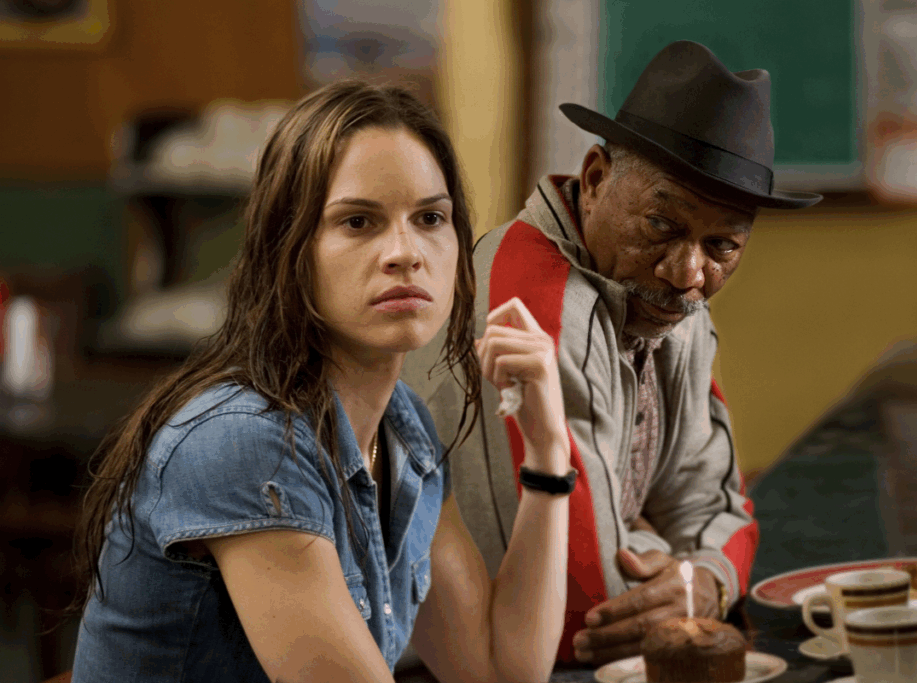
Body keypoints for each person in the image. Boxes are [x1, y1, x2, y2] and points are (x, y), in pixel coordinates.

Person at [69, 81, 574, 683]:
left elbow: (498, 671)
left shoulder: (403, 427)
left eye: (430, 218)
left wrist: (548, 453)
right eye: (359, 221)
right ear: (289, 250)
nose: (405, 252)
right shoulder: (244, 441)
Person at [402, 40, 823, 666]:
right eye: (662, 225)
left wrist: (698, 579)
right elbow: (578, 610)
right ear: (595, 180)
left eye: (722, 247)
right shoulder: (529, 301)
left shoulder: (669, 306)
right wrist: (676, 566)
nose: (688, 274)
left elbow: (716, 507)